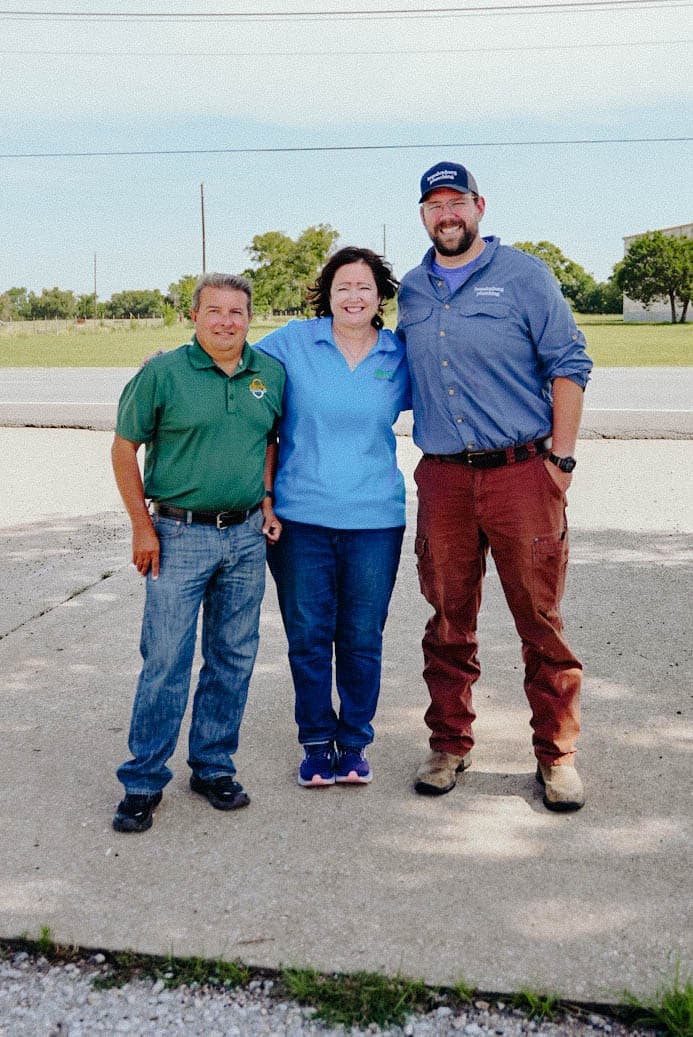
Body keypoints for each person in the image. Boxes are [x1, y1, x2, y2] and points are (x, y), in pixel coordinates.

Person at [397, 161, 592, 811]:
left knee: (538, 619)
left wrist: (559, 461)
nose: (445, 214)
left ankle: (556, 755)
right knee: (448, 618)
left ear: (478, 206)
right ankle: (448, 744)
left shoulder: (522, 276)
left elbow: (569, 362)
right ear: (421, 215)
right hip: (445, 479)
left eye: (456, 202)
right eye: (433, 205)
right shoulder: (412, 290)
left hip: (520, 474)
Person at [111, 273, 285, 832]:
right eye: (215, 310)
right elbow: (123, 448)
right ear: (195, 315)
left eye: (237, 311)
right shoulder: (162, 373)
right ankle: (142, 780)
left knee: (233, 655)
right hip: (179, 535)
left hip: (244, 537)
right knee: (166, 659)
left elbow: (269, 442)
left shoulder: (270, 374)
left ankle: (212, 766)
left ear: (250, 317)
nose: (226, 321)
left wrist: (266, 499)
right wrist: (143, 527)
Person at [256, 246, 411, 788]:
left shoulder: (398, 356)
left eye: (364, 287)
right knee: (309, 635)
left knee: (363, 636)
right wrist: (170, 363)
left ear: (379, 296)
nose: (353, 297)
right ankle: (316, 741)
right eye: (343, 286)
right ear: (328, 293)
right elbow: (232, 363)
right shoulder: (294, 342)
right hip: (301, 520)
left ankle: (355, 742)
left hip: (375, 520)